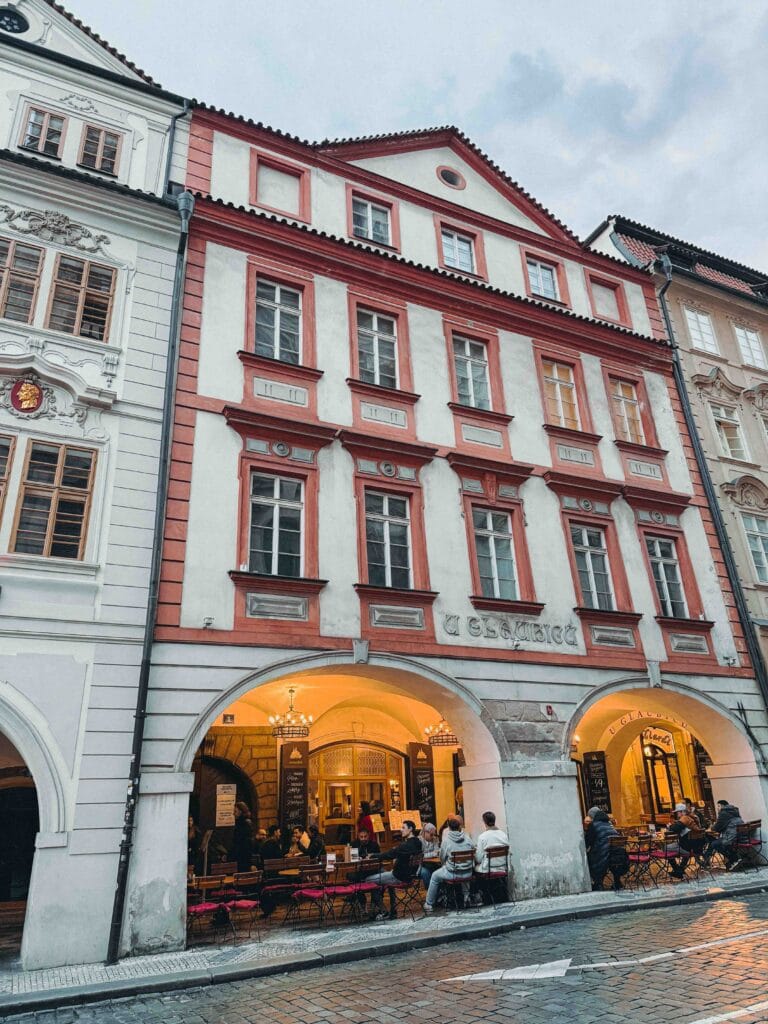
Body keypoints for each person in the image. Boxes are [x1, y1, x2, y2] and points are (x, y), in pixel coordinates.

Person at [369, 819, 422, 921]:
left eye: (403, 828)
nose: (401, 830)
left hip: (398, 877)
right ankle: (392, 909)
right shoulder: (418, 843)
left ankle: (383, 910)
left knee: (369, 880)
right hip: (409, 876)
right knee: (382, 875)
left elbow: (389, 855)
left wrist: (373, 856)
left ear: (410, 829)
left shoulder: (405, 846)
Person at [423, 816, 475, 913]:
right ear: (460, 827)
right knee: (463, 869)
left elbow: (442, 858)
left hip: (453, 874)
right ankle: (466, 897)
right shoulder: (467, 838)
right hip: (468, 873)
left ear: (449, 828)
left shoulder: (446, 841)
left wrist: (444, 865)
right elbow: (473, 851)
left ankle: (429, 904)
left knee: (434, 876)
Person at [584, 807, 624, 891]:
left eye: (590, 817)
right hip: (618, 855)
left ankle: (598, 883)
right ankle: (617, 882)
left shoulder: (593, 825)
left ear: (592, 816)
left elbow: (588, 841)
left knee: (588, 858)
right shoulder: (609, 823)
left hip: (604, 854)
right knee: (605, 854)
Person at [667, 802, 704, 879]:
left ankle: (677, 870)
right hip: (697, 847)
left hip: (689, 848)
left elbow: (674, 829)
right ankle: (680, 870)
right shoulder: (693, 817)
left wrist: (669, 826)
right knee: (684, 846)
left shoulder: (684, 818)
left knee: (665, 848)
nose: (677, 814)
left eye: (677, 812)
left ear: (682, 812)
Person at [704, 799, 745, 869]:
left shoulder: (723, 813)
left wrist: (711, 828)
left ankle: (734, 858)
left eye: (718, 806)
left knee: (714, 843)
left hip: (731, 837)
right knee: (715, 842)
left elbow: (716, 828)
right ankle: (707, 858)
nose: (717, 808)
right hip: (740, 836)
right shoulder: (734, 811)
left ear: (723, 806)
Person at [232, 801, 254, 873]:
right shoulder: (244, 823)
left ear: (241, 812)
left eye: (235, 811)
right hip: (244, 857)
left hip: (243, 857)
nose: (233, 813)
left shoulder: (243, 824)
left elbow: (241, 842)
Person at [418, 823, 441, 888]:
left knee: (440, 870)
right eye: (431, 834)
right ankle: (431, 891)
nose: (433, 836)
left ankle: (439, 891)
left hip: (432, 864)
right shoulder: (419, 840)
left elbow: (437, 851)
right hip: (421, 865)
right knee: (426, 872)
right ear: (425, 832)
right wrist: (433, 854)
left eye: (434, 834)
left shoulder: (435, 839)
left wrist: (433, 853)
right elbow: (420, 856)